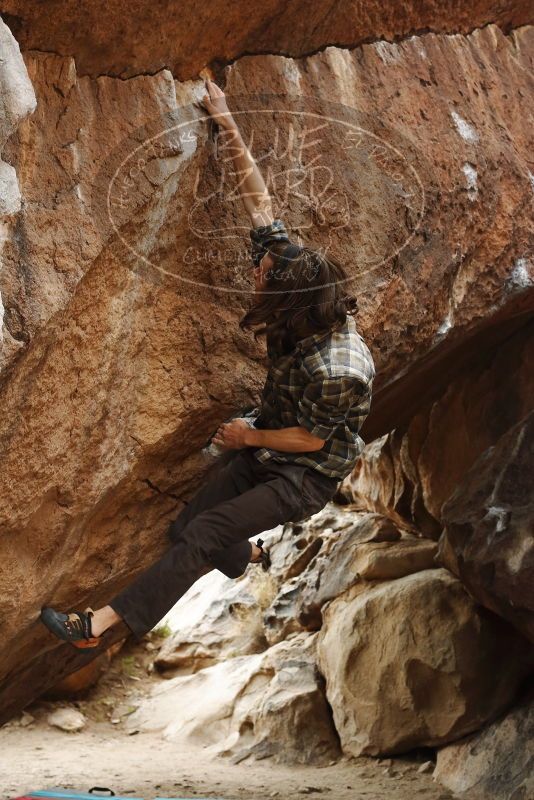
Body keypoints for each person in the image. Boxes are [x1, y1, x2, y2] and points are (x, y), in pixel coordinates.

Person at [39, 79, 376, 649]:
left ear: (290, 299)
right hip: (267, 444)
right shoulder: (291, 272)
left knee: (200, 534)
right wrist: (226, 121)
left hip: (304, 474)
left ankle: (94, 626)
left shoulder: (341, 368)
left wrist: (247, 437)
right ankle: (247, 555)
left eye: (264, 276)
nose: (256, 273)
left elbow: (313, 442)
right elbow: (260, 200)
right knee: (185, 526)